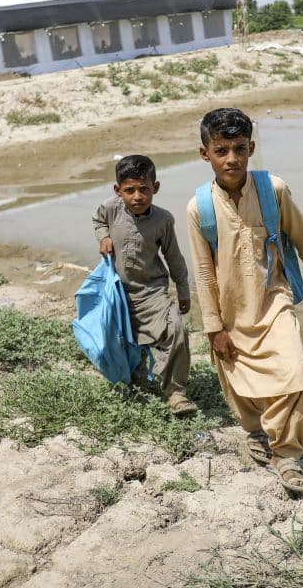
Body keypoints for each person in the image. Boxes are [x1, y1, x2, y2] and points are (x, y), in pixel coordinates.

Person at [186, 108, 303, 495]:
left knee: (296, 370)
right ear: (205, 154)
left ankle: (285, 455)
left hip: (274, 300)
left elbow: (302, 235)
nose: (231, 158)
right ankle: (254, 430)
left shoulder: (274, 190)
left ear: (251, 148)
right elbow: (203, 272)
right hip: (231, 311)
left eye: (239, 148)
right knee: (239, 378)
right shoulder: (198, 208)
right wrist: (214, 327)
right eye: (221, 150)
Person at [93, 154, 196, 415]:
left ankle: (175, 392)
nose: (137, 197)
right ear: (118, 191)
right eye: (129, 190)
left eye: (144, 189)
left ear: (156, 188)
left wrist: (183, 290)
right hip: (118, 291)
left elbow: (174, 257)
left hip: (152, 291)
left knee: (175, 331)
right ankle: (136, 380)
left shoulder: (163, 220)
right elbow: (99, 220)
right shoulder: (111, 208)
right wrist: (104, 237)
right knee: (122, 342)